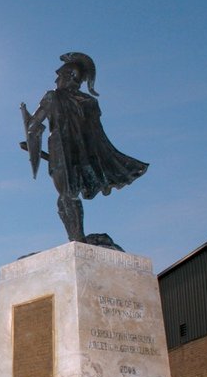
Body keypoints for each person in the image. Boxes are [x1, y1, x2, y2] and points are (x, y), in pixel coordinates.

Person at [21, 52, 148, 244]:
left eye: (61, 75)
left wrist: (25, 118)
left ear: (71, 77)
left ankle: (77, 239)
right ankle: (77, 238)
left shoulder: (52, 97)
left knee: (66, 197)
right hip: (84, 158)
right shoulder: (90, 102)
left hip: (60, 154)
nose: (56, 79)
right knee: (69, 196)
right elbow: (96, 136)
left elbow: (33, 127)